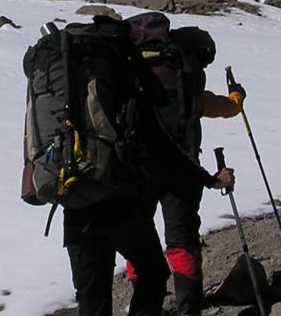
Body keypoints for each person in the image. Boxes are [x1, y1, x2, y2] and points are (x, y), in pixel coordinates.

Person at [126, 16, 245, 316]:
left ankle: (142, 305)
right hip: (184, 170)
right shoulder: (188, 85)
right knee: (181, 239)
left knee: (138, 239)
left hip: (137, 169)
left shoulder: (135, 81)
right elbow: (228, 108)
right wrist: (237, 97)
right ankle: (188, 306)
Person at [63, 111, 235, 316]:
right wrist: (208, 180)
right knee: (153, 272)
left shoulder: (51, 85)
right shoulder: (122, 81)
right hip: (119, 203)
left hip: (75, 206)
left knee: (92, 296)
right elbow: (160, 144)